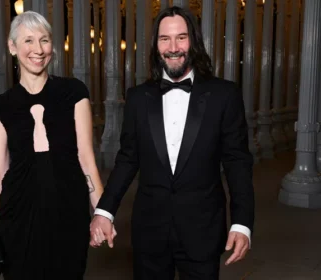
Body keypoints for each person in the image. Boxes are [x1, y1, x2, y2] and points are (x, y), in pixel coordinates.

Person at [89, 6, 255, 280]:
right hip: (150, 232)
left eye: (181, 37)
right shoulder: (137, 98)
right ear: (155, 45)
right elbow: (127, 159)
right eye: (165, 39)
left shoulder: (224, 95)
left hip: (203, 230)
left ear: (195, 42)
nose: (173, 47)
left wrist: (242, 223)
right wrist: (104, 211)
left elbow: (238, 163)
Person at [0, 11, 106, 279]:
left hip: (68, 214)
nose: (38, 49)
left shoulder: (74, 92)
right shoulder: (0, 106)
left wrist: (103, 213)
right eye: (28, 41)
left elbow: (86, 160)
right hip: (17, 218)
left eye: (44, 40)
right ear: (12, 47)